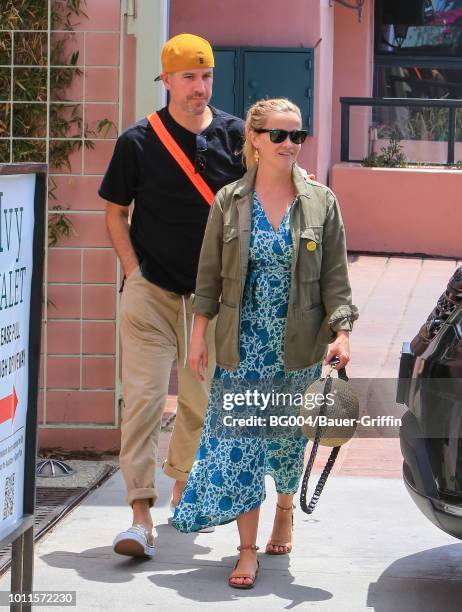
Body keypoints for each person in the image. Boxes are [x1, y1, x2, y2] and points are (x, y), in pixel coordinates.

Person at [172, 98, 359, 588]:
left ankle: (284, 510)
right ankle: (247, 551)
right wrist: (198, 333)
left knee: (286, 444)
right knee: (242, 447)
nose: (290, 144)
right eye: (278, 135)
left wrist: (341, 332)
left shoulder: (320, 202)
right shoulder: (229, 201)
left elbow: (336, 278)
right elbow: (208, 275)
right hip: (242, 344)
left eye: (298, 135)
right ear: (254, 139)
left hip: (298, 345)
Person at [99, 33, 245, 557]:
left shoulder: (236, 136)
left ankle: (183, 485)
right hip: (151, 293)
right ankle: (141, 515)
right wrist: (133, 272)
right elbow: (115, 212)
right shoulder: (137, 141)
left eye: (205, 77)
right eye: (188, 78)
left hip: (211, 302)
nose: (198, 88)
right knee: (141, 402)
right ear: (166, 80)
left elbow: (260, 199)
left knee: (199, 404)